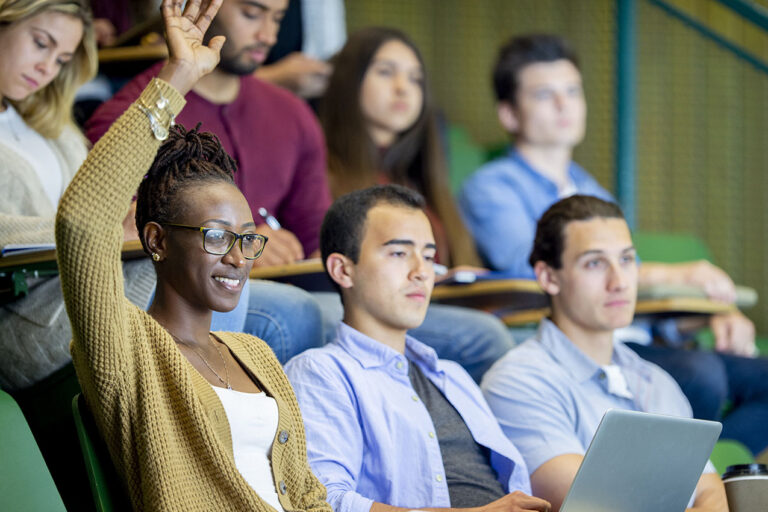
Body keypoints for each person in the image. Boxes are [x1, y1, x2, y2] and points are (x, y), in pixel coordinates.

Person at [56, 1, 330, 510]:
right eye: (216, 236)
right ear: (157, 241)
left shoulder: (257, 356)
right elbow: (82, 223)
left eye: (248, 238)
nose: (238, 258)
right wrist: (177, 79)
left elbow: (310, 495)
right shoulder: (127, 349)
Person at [459, 34, 768, 454]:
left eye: (572, 91)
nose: (564, 105)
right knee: (702, 373)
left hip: (630, 335)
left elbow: (625, 283)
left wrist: (710, 313)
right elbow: (522, 266)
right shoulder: (491, 186)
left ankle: (705, 466)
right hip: (570, 344)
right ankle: (679, 469)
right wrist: (684, 274)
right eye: (545, 94)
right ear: (510, 114)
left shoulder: (590, 187)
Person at [86, 0, 331, 360]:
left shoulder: (293, 114)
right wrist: (236, 242)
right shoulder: (129, 117)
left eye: (278, 18)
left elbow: (316, 241)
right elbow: (118, 231)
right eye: (252, 13)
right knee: (295, 314)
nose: (268, 34)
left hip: (282, 286)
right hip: (178, 290)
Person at [285, 185, 550, 512]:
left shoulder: (452, 375)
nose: (422, 272)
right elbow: (325, 501)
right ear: (343, 269)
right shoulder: (320, 371)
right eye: (399, 253)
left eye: (428, 256)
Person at [481, 195, 728, 511]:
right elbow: (589, 503)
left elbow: (710, 489)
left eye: (626, 260)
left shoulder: (657, 381)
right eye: (594, 263)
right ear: (548, 276)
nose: (619, 282)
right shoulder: (517, 380)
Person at [316, 27, 515, 380]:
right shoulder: (320, 168)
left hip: (430, 307)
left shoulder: (420, 176)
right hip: (362, 313)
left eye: (415, 78)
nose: (403, 88)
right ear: (350, 80)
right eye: (385, 72)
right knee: (488, 339)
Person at [0, 0, 123, 390]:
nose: (47, 68)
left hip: (78, 287)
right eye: (40, 43)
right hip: (19, 314)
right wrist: (91, 228)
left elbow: (102, 210)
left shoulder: (51, 125)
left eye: (61, 58)